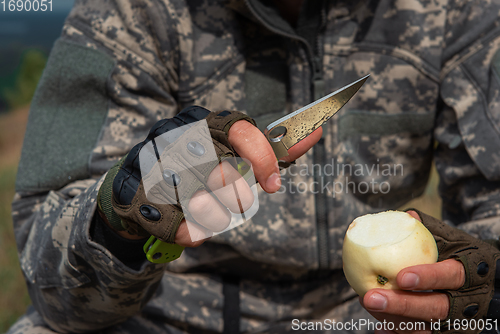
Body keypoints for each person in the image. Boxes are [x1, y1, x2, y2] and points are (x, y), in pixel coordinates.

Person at [7, 0, 500, 333]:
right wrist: (122, 216)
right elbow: (52, 287)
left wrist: (485, 283)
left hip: (373, 318)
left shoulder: (457, 13)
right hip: (167, 316)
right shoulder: (128, 14)